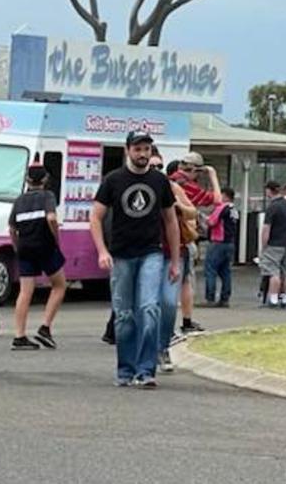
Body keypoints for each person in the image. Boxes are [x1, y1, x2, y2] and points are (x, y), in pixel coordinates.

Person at [90, 131, 179, 389]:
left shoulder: (159, 181)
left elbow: (171, 220)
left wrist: (174, 261)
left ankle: (146, 370)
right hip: (121, 255)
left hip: (151, 252)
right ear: (128, 150)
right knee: (124, 315)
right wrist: (102, 251)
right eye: (138, 149)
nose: (142, 154)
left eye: (147, 149)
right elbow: (95, 217)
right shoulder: (113, 180)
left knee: (150, 308)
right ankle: (126, 370)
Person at [8, 164, 67, 351]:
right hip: (45, 246)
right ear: (44, 180)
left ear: (27, 181)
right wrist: (56, 238)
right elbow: (51, 218)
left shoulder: (19, 200)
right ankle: (45, 327)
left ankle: (19, 335)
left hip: (25, 247)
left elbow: (11, 228)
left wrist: (18, 246)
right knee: (59, 285)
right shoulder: (47, 196)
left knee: (25, 292)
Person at [158, 159, 198, 374]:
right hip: (145, 251)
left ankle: (163, 345)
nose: (154, 170)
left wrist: (177, 206)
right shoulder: (135, 187)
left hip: (172, 252)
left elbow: (193, 213)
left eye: (158, 166)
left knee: (167, 301)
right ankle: (146, 350)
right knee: (144, 305)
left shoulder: (173, 188)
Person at [171, 153, 218, 334]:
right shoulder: (187, 187)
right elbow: (216, 199)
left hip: (165, 237)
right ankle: (187, 321)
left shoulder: (169, 181)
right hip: (183, 238)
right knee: (186, 281)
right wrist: (212, 176)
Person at [201, 188, 239, 307]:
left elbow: (212, 222)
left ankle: (210, 298)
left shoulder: (221, 207)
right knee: (225, 272)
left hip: (218, 241)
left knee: (210, 270)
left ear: (225, 196)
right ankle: (225, 298)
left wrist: (201, 217)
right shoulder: (234, 210)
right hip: (230, 243)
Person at [260, 181, 286, 308]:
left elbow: (266, 228)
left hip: (274, 243)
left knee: (273, 272)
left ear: (269, 190)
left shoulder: (272, 207)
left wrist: (264, 245)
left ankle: (273, 298)